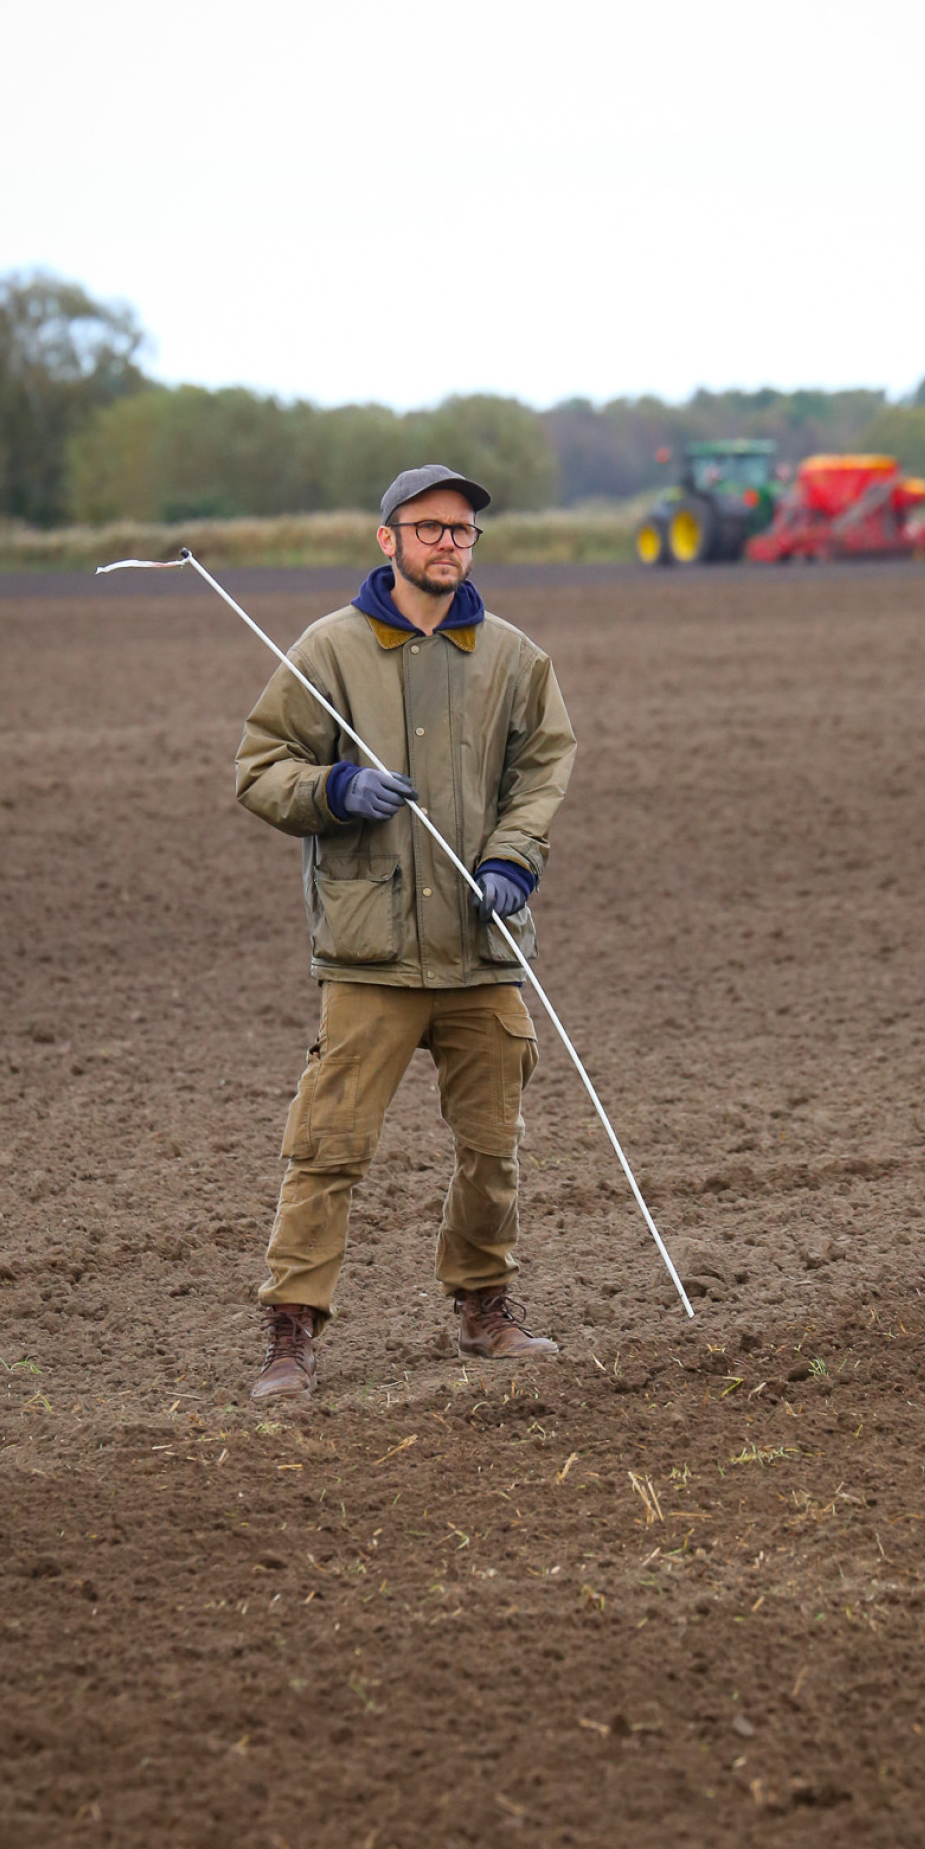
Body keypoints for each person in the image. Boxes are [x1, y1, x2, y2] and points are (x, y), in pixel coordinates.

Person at [235, 463, 577, 1400]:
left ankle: (485, 1309)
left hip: (480, 950)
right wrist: (334, 790)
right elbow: (260, 765)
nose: (448, 545)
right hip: (370, 951)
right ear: (386, 538)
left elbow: (543, 768)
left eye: (463, 531)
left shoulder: (512, 657)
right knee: (328, 1147)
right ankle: (291, 1333)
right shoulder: (329, 648)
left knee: (493, 1144)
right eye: (429, 528)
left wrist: (513, 861)